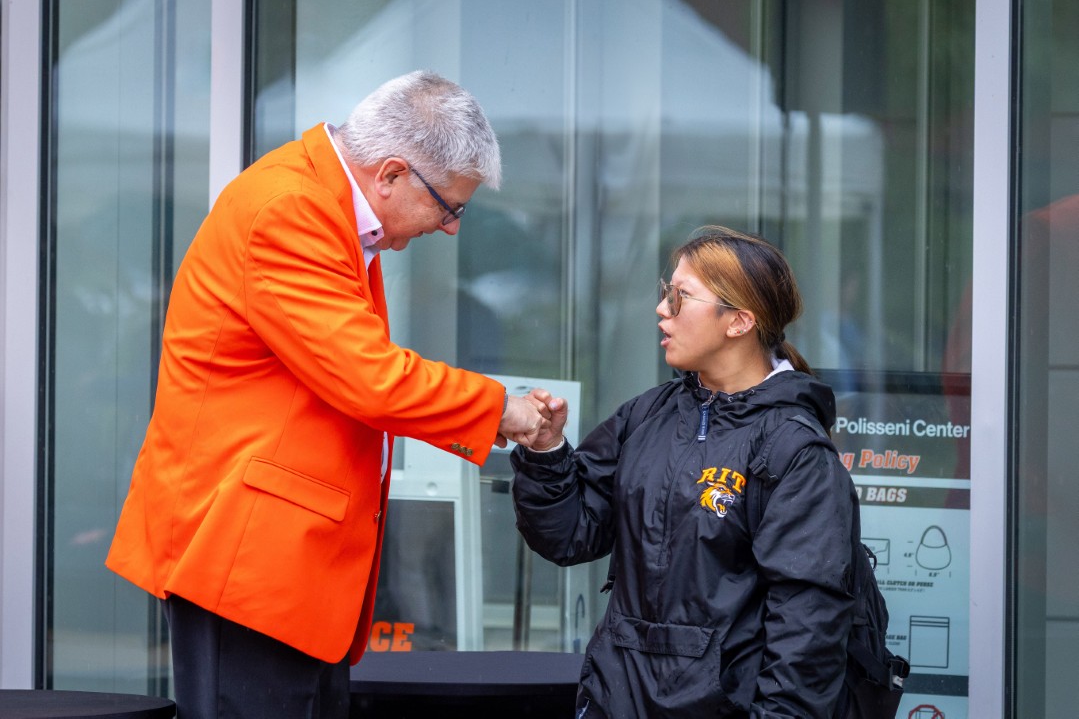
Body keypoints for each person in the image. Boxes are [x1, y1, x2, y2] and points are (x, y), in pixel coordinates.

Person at [105, 70, 546, 719]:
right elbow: (366, 376)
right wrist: (497, 408)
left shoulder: (314, 198)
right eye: (449, 207)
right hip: (247, 559)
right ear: (391, 174)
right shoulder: (290, 208)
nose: (450, 228)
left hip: (277, 561)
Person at [511, 226, 858, 718]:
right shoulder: (646, 415)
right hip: (618, 697)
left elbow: (809, 624)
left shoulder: (795, 448)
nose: (662, 309)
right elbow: (571, 537)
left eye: (680, 297)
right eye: (664, 292)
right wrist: (547, 452)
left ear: (738, 322)